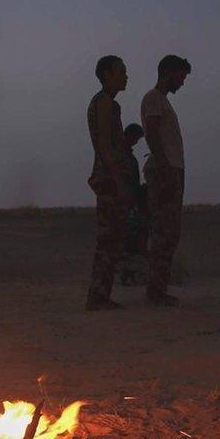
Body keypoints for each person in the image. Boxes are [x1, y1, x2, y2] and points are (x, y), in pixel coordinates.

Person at [142, 55, 191, 307]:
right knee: (163, 231)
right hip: (165, 172)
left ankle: (158, 289)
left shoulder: (163, 102)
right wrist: (165, 170)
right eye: (181, 76)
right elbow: (151, 135)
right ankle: (155, 292)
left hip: (172, 170)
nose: (182, 82)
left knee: (170, 232)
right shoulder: (153, 98)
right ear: (169, 72)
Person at [85, 55, 131, 311]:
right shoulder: (104, 104)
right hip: (108, 179)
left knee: (112, 239)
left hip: (109, 177)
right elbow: (105, 146)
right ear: (106, 75)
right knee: (108, 239)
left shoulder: (108, 104)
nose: (126, 76)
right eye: (121, 72)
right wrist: (118, 180)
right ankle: (98, 297)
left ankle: (101, 295)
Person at [120, 123, 148, 285]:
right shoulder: (121, 155)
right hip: (124, 204)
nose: (136, 142)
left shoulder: (126, 155)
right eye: (136, 138)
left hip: (130, 203)